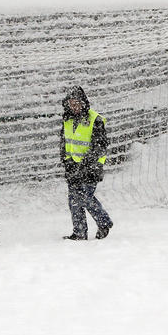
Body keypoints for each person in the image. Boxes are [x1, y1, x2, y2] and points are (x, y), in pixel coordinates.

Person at [61, 86, 113, 241]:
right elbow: (64, 143)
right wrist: (67, 161)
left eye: (77, 103)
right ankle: (79, 232)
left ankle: (104, 222)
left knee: (84, 197)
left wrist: (85, 164)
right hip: (73, 165)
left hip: (92, 166)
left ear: (83, 103)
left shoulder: (95, 120)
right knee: (73, 200)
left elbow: (99, 146)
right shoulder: (67, 120)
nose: (74, 107)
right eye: (71, 103)